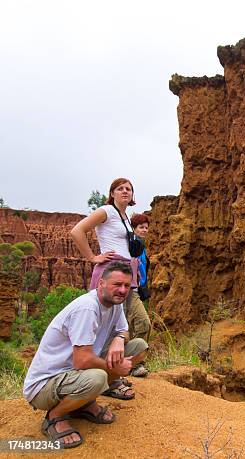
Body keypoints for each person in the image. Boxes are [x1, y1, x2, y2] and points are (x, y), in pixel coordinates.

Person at [23, 262, 149, 449]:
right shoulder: (87, 308)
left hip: (73, 374)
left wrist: (119, 339)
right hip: (44, 386)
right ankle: (54, 417)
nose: (122, 290)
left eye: (126, 286)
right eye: (117, 284)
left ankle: (84, 403)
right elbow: (81, 361)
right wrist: (118, 368)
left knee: (139, 347)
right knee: (97, 377)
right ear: (101, 283)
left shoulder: (114, 304)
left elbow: (124, 331)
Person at [70, 178, 151, 385]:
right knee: (106, 326)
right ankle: (106, 377)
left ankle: (126, 367)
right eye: (120, 188)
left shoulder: (125, 217)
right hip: (110, 273)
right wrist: (92, 257)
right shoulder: (106, 210)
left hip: (127, 275)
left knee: (141, 321)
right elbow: (77, 231)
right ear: (112, 193)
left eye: (129, 189)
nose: (125, 191)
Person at [129, 213, 150, 377]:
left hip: (135, 291)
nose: (144, 230)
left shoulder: (141, 246)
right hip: (126, 290)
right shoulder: (130, 244)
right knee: (143, 322)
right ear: (134, 228)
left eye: (146, 228)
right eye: (141, 227)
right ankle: (135, 364)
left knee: (136, 325)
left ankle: (133, 363)